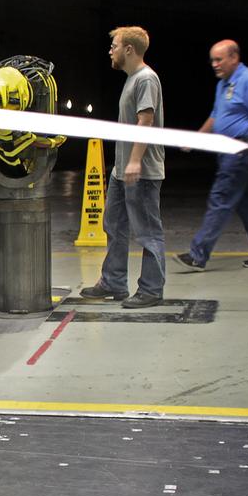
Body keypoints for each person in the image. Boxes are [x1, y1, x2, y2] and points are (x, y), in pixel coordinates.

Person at [173, 39, 248, 271]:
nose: (214, 64)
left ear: (234, 58)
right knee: (247, 202)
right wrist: (196, 138)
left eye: (219, 59)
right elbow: (216, 116)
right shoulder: (223, 84)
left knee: (221, 197)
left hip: (241, 149)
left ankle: (198, 255)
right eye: (212, 60)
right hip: (226, 149)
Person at [81, 25, 166, 308]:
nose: (111, 50)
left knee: (147, 231)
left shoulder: (146, 79)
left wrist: (133, 162)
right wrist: (120, 167)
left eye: (114, 46)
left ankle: (151, 289)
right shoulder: (131, 79)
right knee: (114, 225)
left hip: (140, 171)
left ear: (129, 49)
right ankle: (113, 281)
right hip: (121, 172)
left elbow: (146, 120)